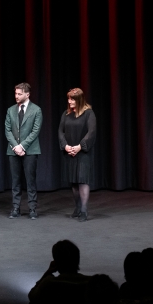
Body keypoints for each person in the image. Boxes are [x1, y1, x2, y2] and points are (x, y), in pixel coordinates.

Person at [4, 82, 43, 219]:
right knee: (15, 180)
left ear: (27, 94)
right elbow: (7, 130)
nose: (17, 96)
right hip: (13, 151)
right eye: (15, 93)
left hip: (30, 150)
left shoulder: (36, 110)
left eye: (19, 94)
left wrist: (23, 146)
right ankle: (16, 207)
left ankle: (32, 208)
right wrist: (16, 146)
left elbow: (35, 131)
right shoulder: (10, 110)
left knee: (30, 180)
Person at [58, 88, 96, 222]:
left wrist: (80, 146)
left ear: (79, 100)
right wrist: (66, 146)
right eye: (68, 99)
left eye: (72, 99)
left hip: (82, 152)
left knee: (82, 180)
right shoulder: (66, 114)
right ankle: (78, 207)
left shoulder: (88, 113)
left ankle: (84, 210)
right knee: (73, 181)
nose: (69, 101)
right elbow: (60, 132)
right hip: (70, 152)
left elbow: (91, 132)